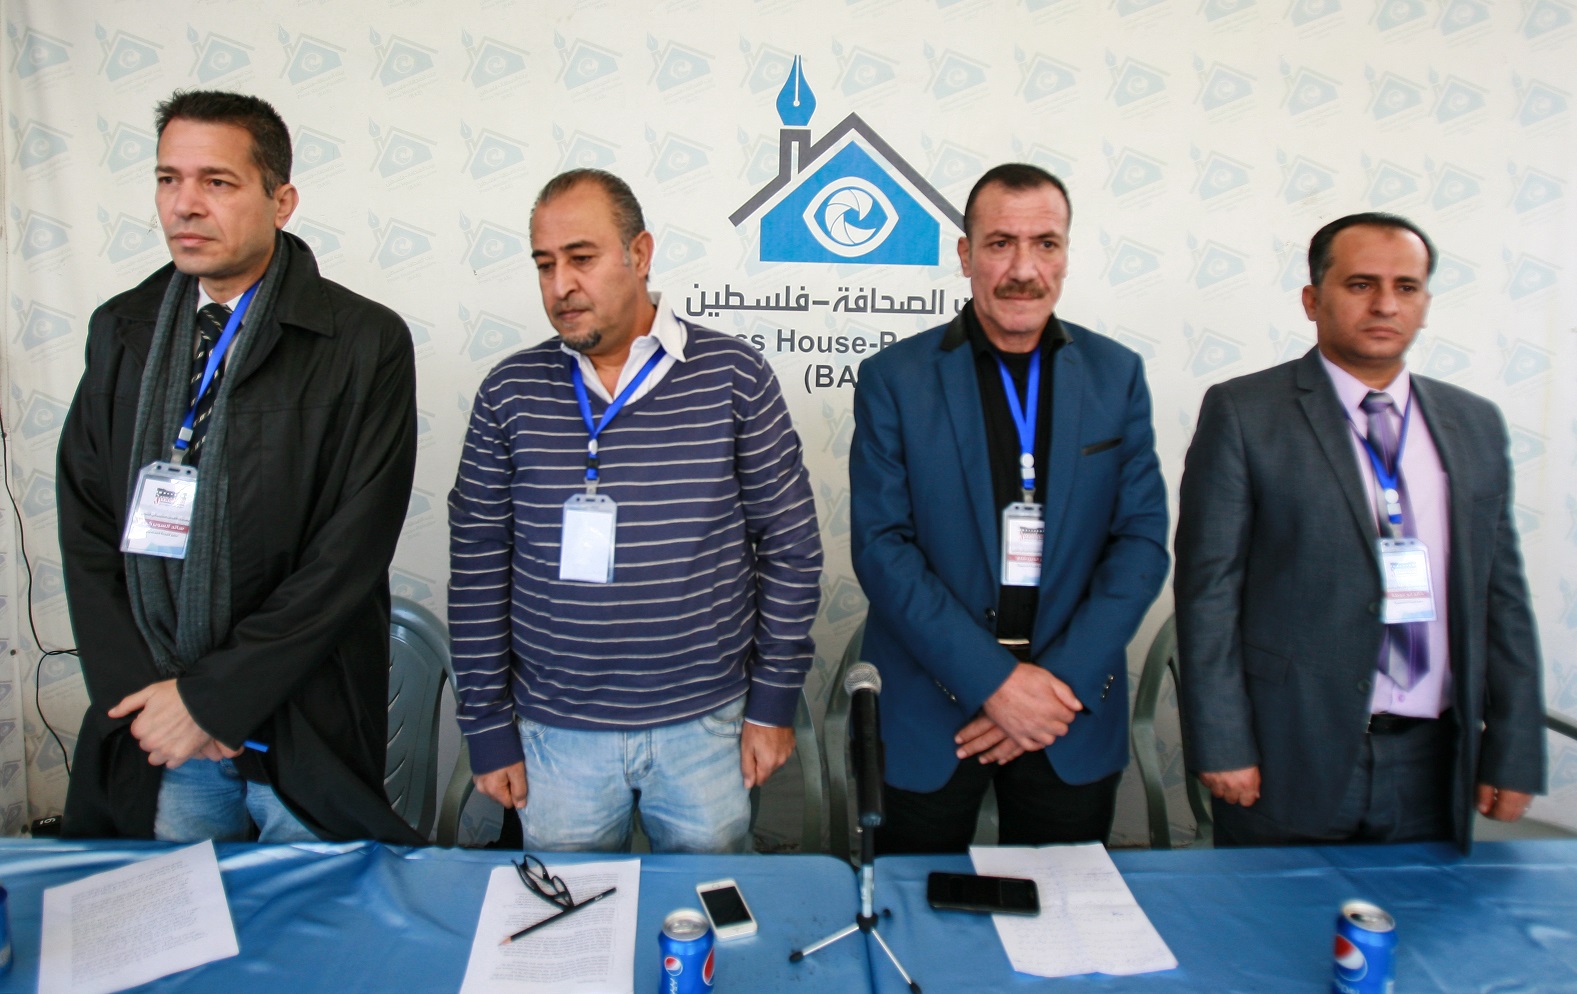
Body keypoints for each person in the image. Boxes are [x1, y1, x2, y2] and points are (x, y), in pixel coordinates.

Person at [56, 90, 421, 843]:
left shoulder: (362, 342)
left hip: (302, 716)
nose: (185, 204)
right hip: (160, 727)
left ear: (281, 201)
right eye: (169, 179)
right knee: (170, 911)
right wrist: (153, 701)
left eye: (216, 182)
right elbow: (88, 523)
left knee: (312, 913)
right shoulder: (121, 330)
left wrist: (214, 701)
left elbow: (348, 555)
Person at [448, 168, 822, 853]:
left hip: (706, 726)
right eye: (544, 264)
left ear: (639, 253)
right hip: (555, 734)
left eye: (581, 258)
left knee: (704, 905)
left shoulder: (733, 376)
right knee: (566, 914)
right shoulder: (509, 391)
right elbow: (477, 568)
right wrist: (486, 725)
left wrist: (772, 702)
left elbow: (791, 546)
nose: (560, 285)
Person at [1175, 212, 1546, 849]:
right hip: (1288, 754)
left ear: (1425, 304)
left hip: (1433, 762)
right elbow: (1208, 594)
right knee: (1278, 914)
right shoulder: (1244, 413)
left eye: (1406, 287)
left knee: (1419, 915)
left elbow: (1502, 597)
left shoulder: (1475, 423)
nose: (1385, 304)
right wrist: (1222, 741)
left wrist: (1514, 749)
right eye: (1360, 284)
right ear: (1312, 299)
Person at [848, 163, 1169, 853]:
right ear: (966, 255)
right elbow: (881, 547)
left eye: (1045, 244)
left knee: (1063, 911)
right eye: (1000, 244)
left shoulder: (1116, 375)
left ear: (1065, 254)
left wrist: (1052, 687)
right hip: (929, 709)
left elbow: (1141, 542)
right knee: (916, 908)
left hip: (1067, 711)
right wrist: (993, 684)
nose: (1024, 269)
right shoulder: (893, 380)